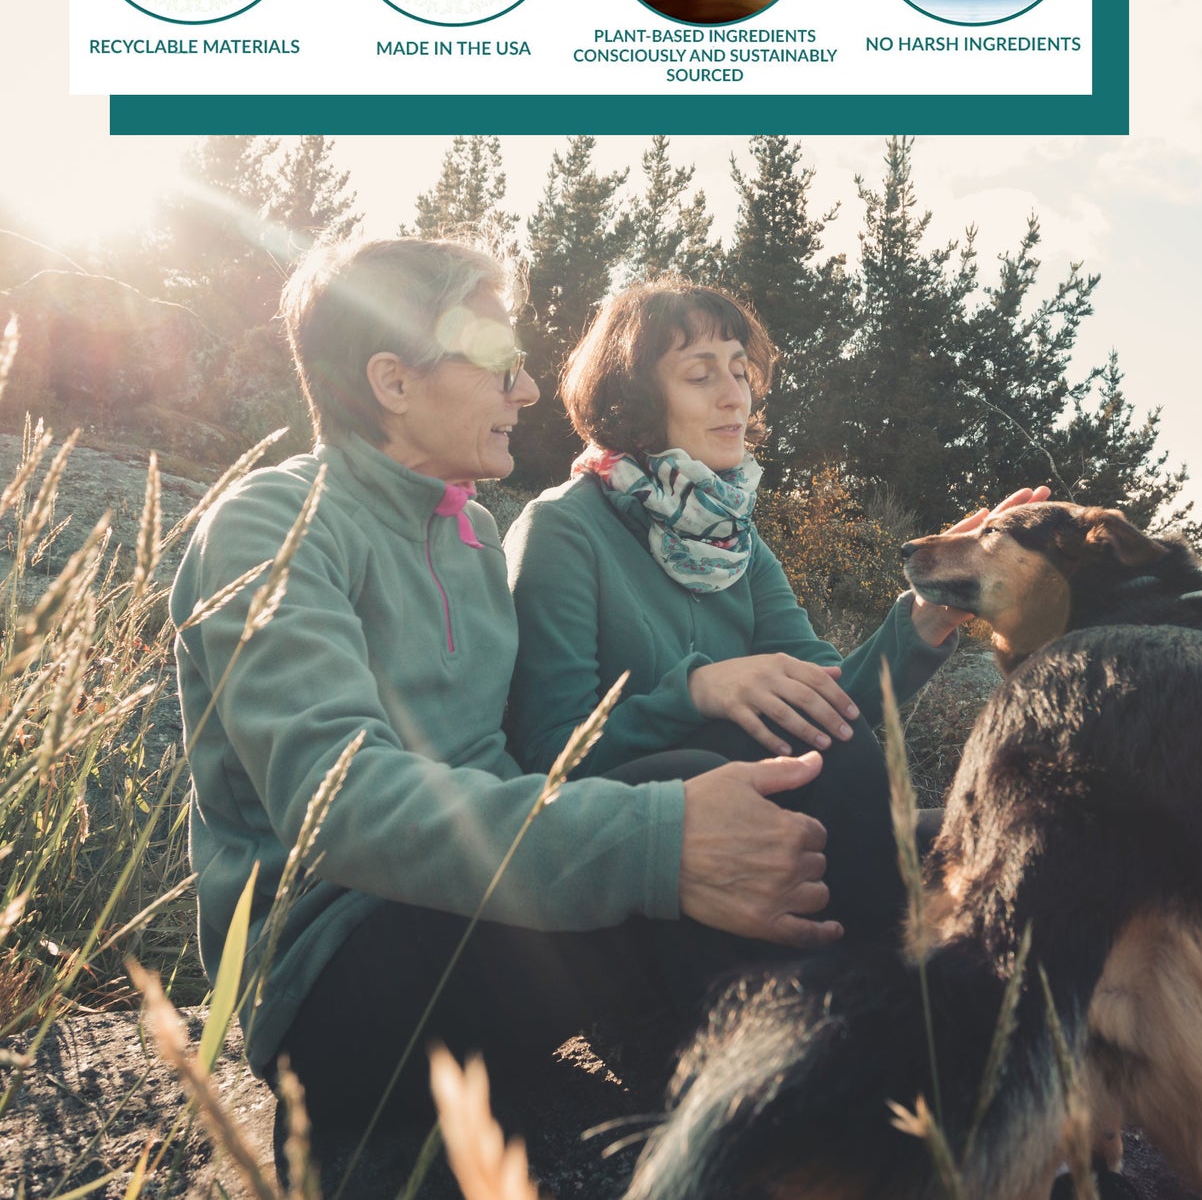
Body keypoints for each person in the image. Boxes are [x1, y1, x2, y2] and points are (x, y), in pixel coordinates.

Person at [170, 240, 841, 1168]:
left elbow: (523, 763)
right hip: (336, 973)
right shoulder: (272, 521)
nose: (526, 391)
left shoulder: (473, 533)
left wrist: (683, 815)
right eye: (498, 363)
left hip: (487, 939)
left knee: (728, 796)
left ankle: (849, 1117)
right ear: (393, 381)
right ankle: (831, 1150)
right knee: (685, 815)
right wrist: (658, 838)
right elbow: (342, 804)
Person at [505, 279, 1047, 944]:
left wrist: (925, 615)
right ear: (635, 399)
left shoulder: (734, 540)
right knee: (823, 770)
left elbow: (829, 700)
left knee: (1015, 827)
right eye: (700, 374)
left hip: (764, 829)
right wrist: (699, 691)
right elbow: (548, 756)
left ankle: (879, 991)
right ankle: (875, 987)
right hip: (630, 843)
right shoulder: (563, 528)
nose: (735, 394)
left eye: (740, 370)